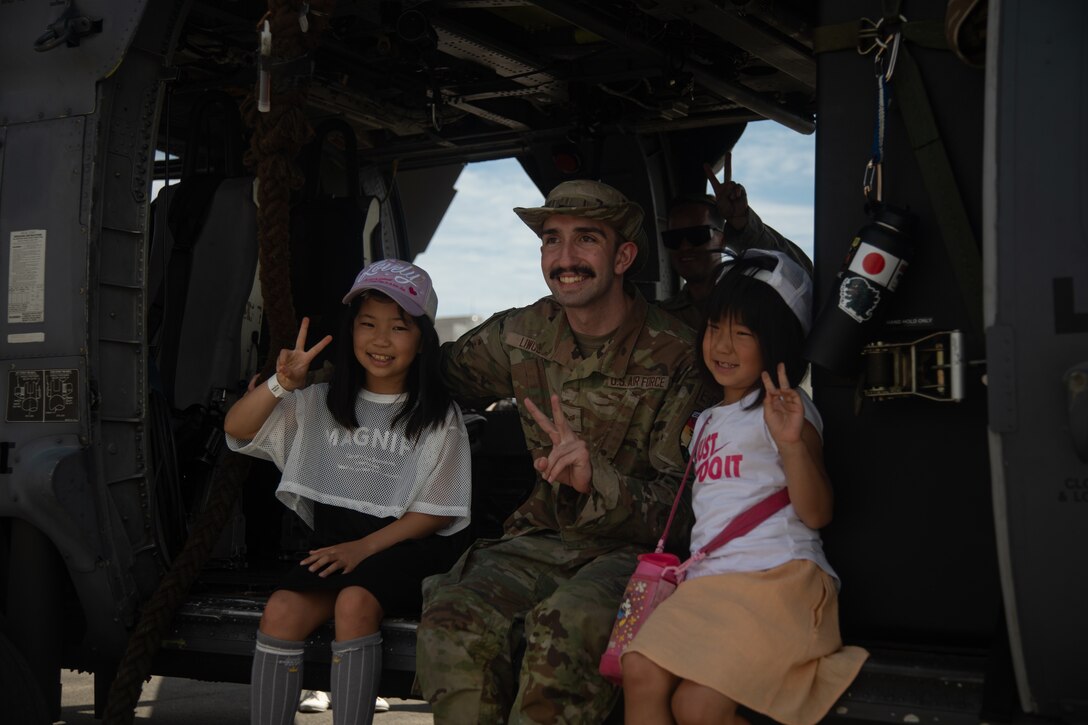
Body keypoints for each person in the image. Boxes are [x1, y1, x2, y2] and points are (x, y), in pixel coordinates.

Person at [415, 179, 708, 723]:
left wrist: (597, 482)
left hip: (635, 553)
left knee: (566, 626)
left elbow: (686, 508)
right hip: (543, 539)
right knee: (452, 617)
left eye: (586, 240)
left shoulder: (678, 356)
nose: (565, 259)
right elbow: (432, 373)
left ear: (623, 256)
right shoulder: (525, 332)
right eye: (552, 240)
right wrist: (308, 382)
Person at [621, 250, 869, 725]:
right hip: (708, 585)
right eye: (715, 327)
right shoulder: (709, 419)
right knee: (639, 669)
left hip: (776, 579)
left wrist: (792, 443)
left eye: (743, 333)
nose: (722, 345)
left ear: (777, 343)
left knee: (697, 707)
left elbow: (817, 513)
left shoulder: (787, 410)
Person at [223, 259, 473, 725]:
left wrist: (363, 549)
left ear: (421, 341)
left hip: (407, 548)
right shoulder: (321, 401)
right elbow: (236, 427)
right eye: (367, 324)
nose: (380, 340)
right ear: (350, 330)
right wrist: (282, 384)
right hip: (340, 548)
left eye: (399, 327)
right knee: (280, 609)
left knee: (354, 602)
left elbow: (438, 513)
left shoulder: (439, 414)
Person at [660, 159, 812, 331]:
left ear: (723, 238)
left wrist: (742, 223)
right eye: (673, 238)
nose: (685, 246)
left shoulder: (752, 299)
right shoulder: (661, 317)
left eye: (697, 235)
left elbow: (801, 282)